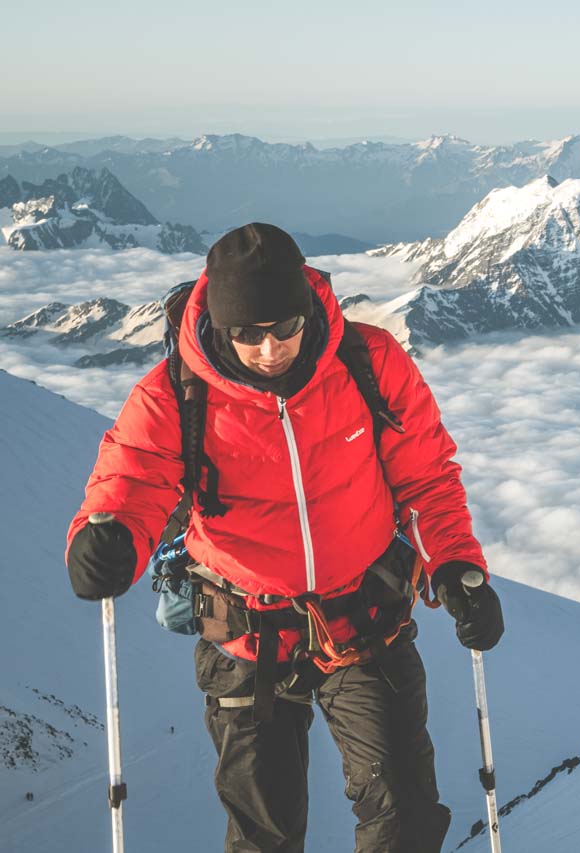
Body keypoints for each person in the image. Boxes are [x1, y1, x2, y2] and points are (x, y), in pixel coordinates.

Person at [64, 222, 503, 853]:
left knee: (404, 816)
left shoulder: (369, 362)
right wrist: (106, 544)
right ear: (219, 324)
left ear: (307, 309)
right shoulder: (175, 396)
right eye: (246, 333)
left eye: (284, 328)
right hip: (245, 640)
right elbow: (129, 483)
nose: (269, 349)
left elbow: (427, 476)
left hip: (363, 623)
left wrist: (456, 566)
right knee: (263, 838)